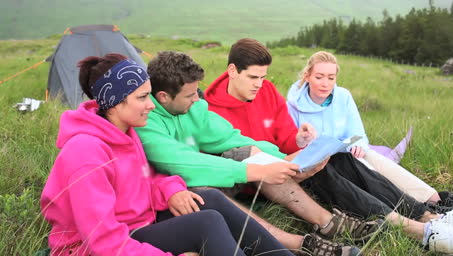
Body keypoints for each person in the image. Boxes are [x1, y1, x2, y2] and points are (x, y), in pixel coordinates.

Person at [204, 38, 453, 255]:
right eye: (253, 78)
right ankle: (414, 228)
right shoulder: (209, 110)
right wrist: (286, 159)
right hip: (262, 182)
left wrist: (299, 139)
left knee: (340, 157)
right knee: (324, 170)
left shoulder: (268, 90)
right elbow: (235, 161)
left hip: (288, 160)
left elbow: (284, 133)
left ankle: (425, 216)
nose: (259, 85)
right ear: (231, 71)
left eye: (263, 77)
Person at [40, 53, 296, 256]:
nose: (151, 105)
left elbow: (146, 179)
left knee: (208, 201)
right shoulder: (86, 153)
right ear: (116, 102)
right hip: (99, 247)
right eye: (142, 97)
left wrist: (171, 189)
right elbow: (103, 241)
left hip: (139, 225)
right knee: (206, 224)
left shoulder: (125, 132)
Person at [136, 51, 368, 256]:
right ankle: (303, 245)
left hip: (206, 180)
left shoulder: (194, 108)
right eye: (190, 95)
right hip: (173, 196)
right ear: (164, 96)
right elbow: (185, 164)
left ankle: (328, 222)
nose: (198, 98)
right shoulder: (146, 122)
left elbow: (231, 137)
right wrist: (257, 171)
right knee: (204, 191)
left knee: (250, 152)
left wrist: (282, 160)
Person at [286, 50, 453, 214]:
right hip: (320, 165)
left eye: (331, 78)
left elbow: (358, 133)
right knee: (371, 173)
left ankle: (437, 200)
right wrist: (302, 139)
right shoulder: (293, 105)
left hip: (346, 151)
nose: (325, 84)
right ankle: (417, 211)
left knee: (377, 161)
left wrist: (357, 145)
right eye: (319, 77)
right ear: (307, 75)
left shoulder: (343, 96)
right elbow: (290, 145)